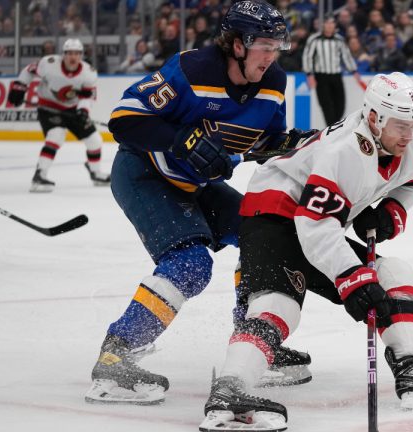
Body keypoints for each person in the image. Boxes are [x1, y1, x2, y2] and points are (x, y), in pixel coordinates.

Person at [199, 72, 413, 432]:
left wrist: (392, 210)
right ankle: (229, 390)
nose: (409, 134)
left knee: (394, 274)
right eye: (400, 124)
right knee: (279, 304)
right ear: (374, 118)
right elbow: (314, 224)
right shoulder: (346, 151)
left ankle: (411, 370)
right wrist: (352, 281)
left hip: (316, 219)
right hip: (272, 210)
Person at [84, 0, 315, 405]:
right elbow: (123, 119)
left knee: (263, 236)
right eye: (264, 44)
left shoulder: (274, 81)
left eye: (277, 45)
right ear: (237, 45)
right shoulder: (191, 70)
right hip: (145, 174)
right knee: (190, 264)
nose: (272, 54)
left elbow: (264, 142)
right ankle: (115, 356)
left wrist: (294, 144)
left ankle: (253, 342)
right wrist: (179, 140)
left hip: (198, 183)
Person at [7, 39, 110, 193]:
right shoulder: (49, 64)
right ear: (63, 54)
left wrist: (83, 111)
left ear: (81, 55)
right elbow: (29, 70)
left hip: (73, 109)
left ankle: (96, 173)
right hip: (48, 107)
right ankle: (39, 175)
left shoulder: (89, 72)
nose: (73, 57)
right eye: (69, 53)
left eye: (76, 53)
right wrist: (20, 86)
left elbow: (87, 96)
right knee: (56, 135)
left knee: (95, 140)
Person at [303, 16, 361, 126]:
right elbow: (307, 56)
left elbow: (346, 56)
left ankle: (332, 127)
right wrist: (309, 74)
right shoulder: (314, 39)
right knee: (326, 105)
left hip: (336, 76)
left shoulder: (339, 40)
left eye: (332, 23)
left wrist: (354, 70)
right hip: (321, 76)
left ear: (335, 25)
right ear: (323, 25)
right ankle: (331, 129)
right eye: (327, 23)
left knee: (340, 104)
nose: (329, 26)